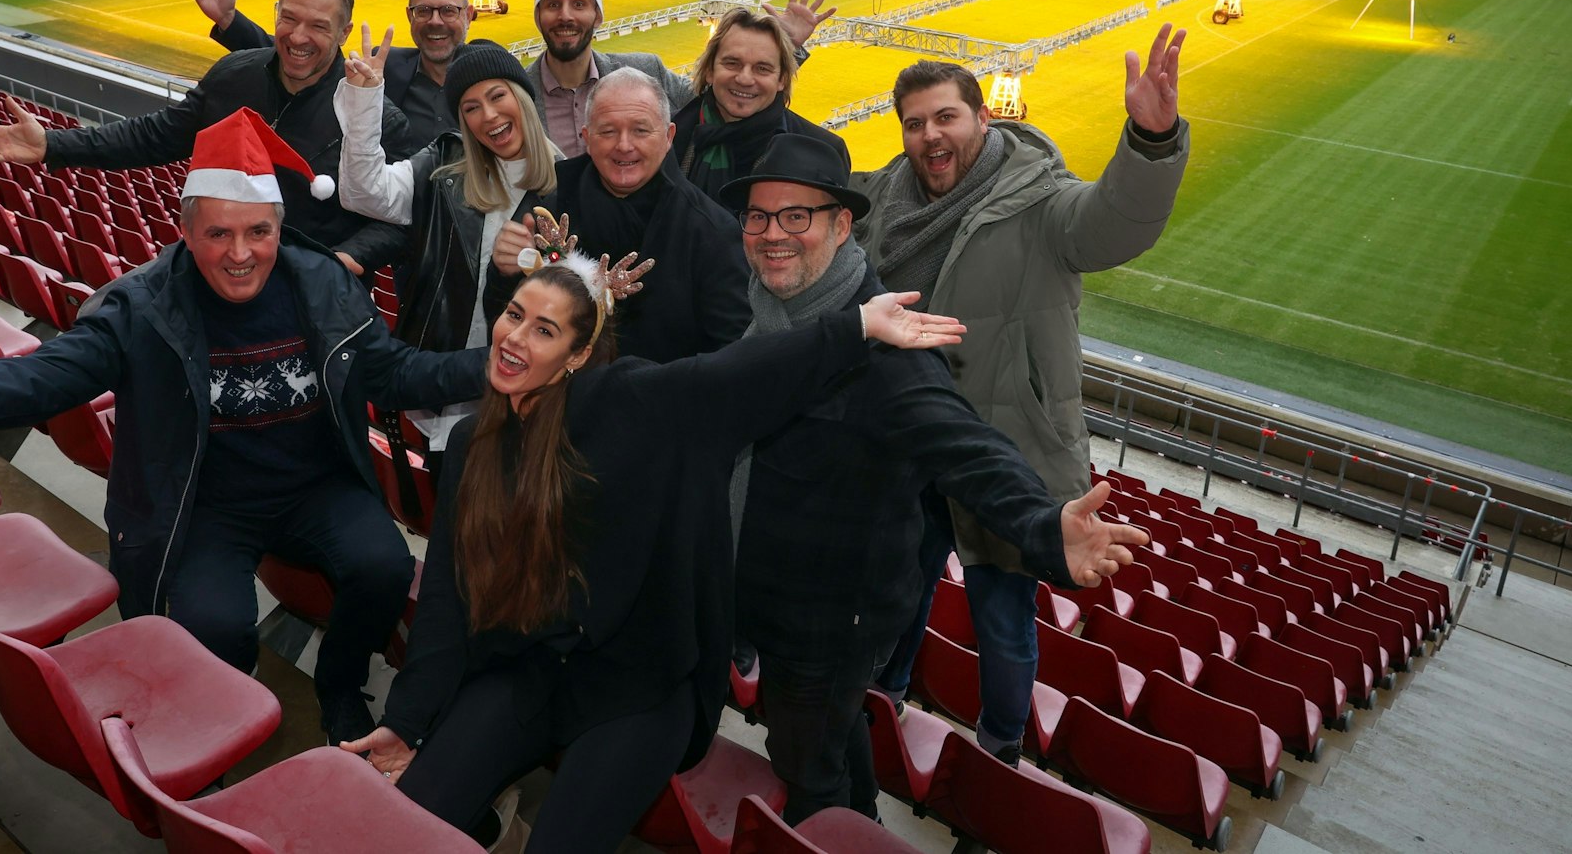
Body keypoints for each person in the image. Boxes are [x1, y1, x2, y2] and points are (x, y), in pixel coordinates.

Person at [342, 238, 1145, 851]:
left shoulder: (629, 402)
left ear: (580, 355)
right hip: (523, 667)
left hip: (638, 686)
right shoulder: (476, 447)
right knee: (409, 820)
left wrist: (856, 325)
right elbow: (446, 595)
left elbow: (736, 375)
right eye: (515, 315)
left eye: (546, 328)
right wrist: (409, 720)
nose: (517, 338)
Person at [0, 109, 488, 746]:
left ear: (280, 227)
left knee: (386, 566)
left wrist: (497, 367)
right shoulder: (140, 305)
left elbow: (395, 373)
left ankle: (338, 687)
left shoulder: (323, 283)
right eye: (218, 233)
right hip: (199, 503)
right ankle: (226, 716)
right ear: (182, 229)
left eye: (258, 232)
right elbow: (46, 376)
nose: (240, 252)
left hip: (314, 488)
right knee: (214, 629)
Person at [719, 133, 1143, 821]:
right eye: (759, 216)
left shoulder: (889, 345)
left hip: (829, 618)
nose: (773, 233)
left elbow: (966, 444)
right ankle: (863, 817)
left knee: (807, 766)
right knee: (834, 733)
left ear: (841, 224)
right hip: (765, 588)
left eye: (796, 215)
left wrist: (1042, 527)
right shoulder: (763, 304)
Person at [855, 23, 1191, 766]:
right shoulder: (883, 199)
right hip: (908, 444)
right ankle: (880, 714)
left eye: (946, 116)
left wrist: (1152, 139)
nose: (929, 135)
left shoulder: (1040, 198)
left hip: (1008, 449)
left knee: (1002, 618)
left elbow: (1113, 225)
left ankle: (1000, 755)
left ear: (983, 115)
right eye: (914, 123)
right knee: (897, 595)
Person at [0, 0, 412, 276]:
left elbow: (401, 216)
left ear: (345, 33)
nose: (297, 36)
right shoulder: (235, 75)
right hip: (223, 278)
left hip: (319, 294)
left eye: (318, 26)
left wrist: (347, 259)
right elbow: (156, 135)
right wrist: (55, 145)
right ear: (275, 14)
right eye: (288, 18)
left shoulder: (375, 117)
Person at [333, 32, 560, 451]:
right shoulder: (443, 166)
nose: (488, 116)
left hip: (523, 405)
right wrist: (365, 104)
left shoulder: (570, 183)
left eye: (497, 96)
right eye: (470, 108)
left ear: (523, 98)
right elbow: (364, 193)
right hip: (440, 385)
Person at [496, 66, 749, 363]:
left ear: (668, 137)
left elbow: (732, 358)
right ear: (587, 138)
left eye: (641, 130)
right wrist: (505, 270)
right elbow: (503, 322)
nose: (624, 145)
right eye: (608, 131)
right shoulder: (547, 213)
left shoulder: (711, 233)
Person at [523, 0, 833, 156]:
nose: (565, 15)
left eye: (579, 4)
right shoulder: (518, 94)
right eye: (552, 4)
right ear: (538, 16)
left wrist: (786, 46)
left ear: (597, 16)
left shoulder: (645, 71)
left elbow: (729, 93)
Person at [189, 0, 475, 146]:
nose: (435, 21)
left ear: (468, 15)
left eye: (449, 11)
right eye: (423, 11)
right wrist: (229, 21)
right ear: (410, 17)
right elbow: (305, 58)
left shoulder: (490, 77)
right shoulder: (384, 67)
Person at [672, 6, 849, 209]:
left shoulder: (823, 150)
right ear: (710, 71)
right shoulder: (666, 134)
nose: (745, 79)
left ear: (782, 79)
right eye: (732, 63)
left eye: (762, 69)